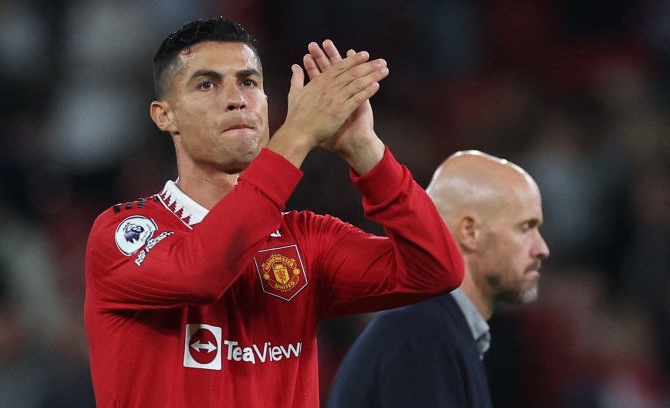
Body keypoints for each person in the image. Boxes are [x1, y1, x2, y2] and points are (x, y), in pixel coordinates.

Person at [83, 18, 464, 408]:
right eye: (206, 84)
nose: (237, 99)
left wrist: (365, 149)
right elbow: (204, 271)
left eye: (248, 82)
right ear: (165, 116)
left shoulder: (308, 240)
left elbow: (436, 269)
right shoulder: (123, 233)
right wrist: (297, 135)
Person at [327, 150, 551, 408]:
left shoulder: (438, 329)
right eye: (525, 228)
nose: (542, 248)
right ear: (470, 232)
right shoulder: (421, 336)